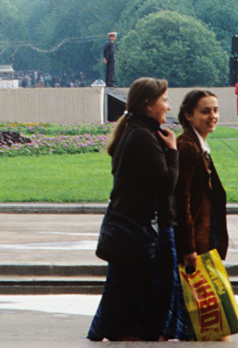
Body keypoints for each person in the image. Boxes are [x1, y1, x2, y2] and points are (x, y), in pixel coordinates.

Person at [87, 77, 188, 342]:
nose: (168, 107)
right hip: (139, 229)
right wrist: (173, 151)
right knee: (140, 296)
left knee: (125, 293)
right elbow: (165, 183)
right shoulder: (143, 136)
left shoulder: (133, 129)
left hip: (128, 226)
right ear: (147, 104)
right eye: (164, 100)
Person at [174, 90, 229, 279]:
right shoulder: (188, 148)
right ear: (188, 115)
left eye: (215, 110)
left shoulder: (199, 146)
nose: (213, 116)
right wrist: (188, 248)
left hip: (204, 233)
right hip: (197, 238)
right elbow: (183, 201)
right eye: (205, 111)